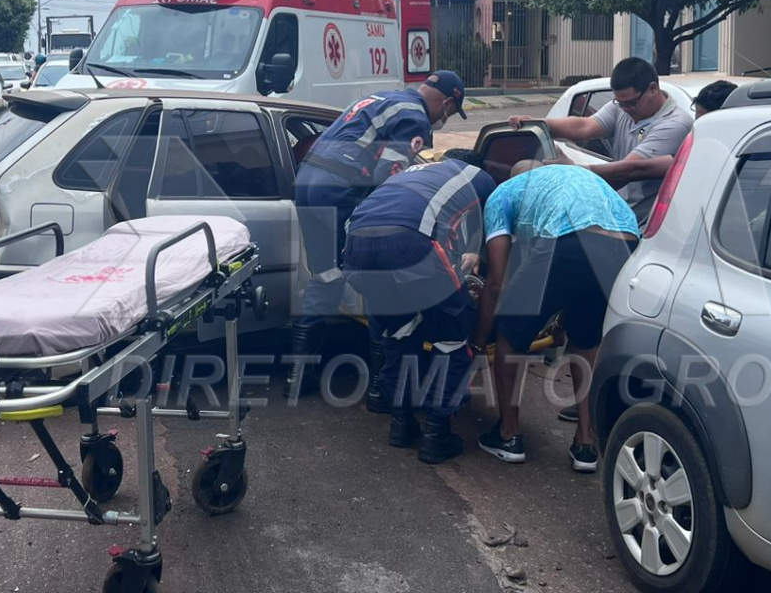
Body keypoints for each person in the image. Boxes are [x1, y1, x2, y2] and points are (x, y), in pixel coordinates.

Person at [287, 71, 469, 398]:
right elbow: (391, 178)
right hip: (339, 189)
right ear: (446, 102)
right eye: (451, 112)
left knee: (326, 278)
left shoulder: (383, 98)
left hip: (308, 183)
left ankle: (297, 378)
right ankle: (380, 386)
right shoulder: (414, 118)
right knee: (375, 280)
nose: (446, 118)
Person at [471, 161, 639, 472]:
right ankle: (585, 444)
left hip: (567, 239)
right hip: (627, 243)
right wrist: (559, 319)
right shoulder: (572, 178)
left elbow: (496, 283)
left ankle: (508, 435)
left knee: (510, 333)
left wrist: (480, 340)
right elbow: (573, 277)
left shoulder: (503, 193)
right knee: (586, 341)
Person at [343, 149, 496, 464]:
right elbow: (491, 233)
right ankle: (437, 435)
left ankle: (401, 423)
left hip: (356, 248)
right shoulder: (480, 179)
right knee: (452, 338)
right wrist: (478, 258)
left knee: (399, 334)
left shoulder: (418, 172)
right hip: (409, 242)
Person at [508, 57, 692, 223]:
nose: (626, 109)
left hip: (645, 225)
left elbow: (627, 170)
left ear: (653, 88)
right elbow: (584, 126)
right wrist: (539, 125)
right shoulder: (620, 109)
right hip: (615, 213)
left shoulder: (675, 124)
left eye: (632, 103)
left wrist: (575, 170)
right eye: (621, 103)